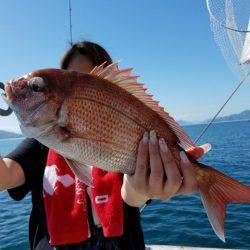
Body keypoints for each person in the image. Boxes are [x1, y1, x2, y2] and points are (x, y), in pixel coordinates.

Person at [0, 41, 203, 250]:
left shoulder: (127, 135)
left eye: (90, 81)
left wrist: (142, 187)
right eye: (73, 78)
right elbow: (4, 175)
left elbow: (132, 199)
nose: (83, 91)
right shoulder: (40, 143)